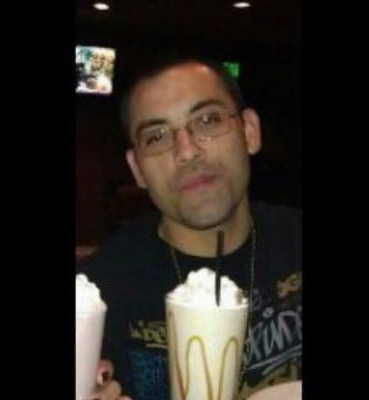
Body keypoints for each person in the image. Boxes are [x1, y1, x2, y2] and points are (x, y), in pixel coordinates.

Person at [79, 54, 302, 400]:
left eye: (208, 120)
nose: (187, 151)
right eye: (156, 137)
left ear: (249, 132)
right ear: (137, 169)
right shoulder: (95, 295)